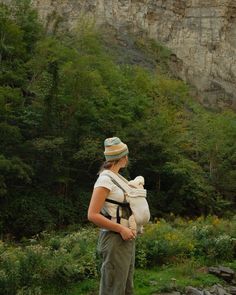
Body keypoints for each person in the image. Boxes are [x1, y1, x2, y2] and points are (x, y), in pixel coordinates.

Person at [88, 137, 136, 295]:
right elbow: (92, 215)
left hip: (126, 239)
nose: (127, 158)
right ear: (121, 158)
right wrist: (121, 229)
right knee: (113, 288)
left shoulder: (119, 179)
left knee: (125, 287)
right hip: (114, 239)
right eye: (125, 155)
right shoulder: (104, 180)